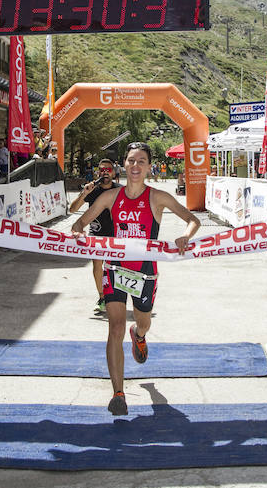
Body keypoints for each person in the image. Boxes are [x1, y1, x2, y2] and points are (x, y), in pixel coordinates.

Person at [71, 142, 200, 416]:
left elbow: (192, 219)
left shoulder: (158, 197)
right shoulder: (110, 197)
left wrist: (185, 236)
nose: (136, 166)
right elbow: (81, 222)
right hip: (115, 269)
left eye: (142, 161)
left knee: (143, 322)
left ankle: (138, 335)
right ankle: (118, 393)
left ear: (149, 167)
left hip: (145, 272)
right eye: (131, 161)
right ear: (124, 165)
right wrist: (78, 231)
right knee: (114, 327)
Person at [68, 158, 122, 314]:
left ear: (113, 172)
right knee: (97, 266)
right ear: (98, 172)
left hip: (115, 235)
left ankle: (115, 296)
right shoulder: (92, 189)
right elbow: (72, 209)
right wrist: (84, 194)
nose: (105, 172)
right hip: (96, 233)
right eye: (102, 170)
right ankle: (102, 297)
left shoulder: (120, 190)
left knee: (114, 267)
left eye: (108, 170)